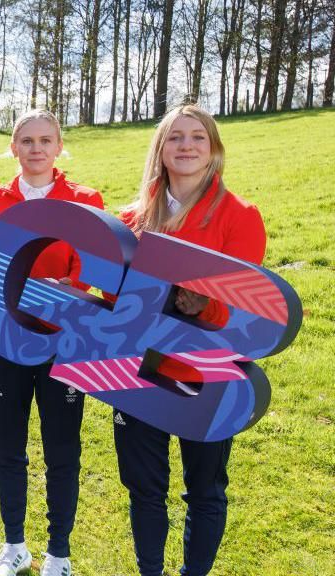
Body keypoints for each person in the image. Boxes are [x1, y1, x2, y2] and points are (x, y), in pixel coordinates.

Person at [112, 104, 266, 576]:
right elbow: (115, 300)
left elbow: (245, 309)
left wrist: (204, 303)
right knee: (144, 486)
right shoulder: (132, 217)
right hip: (140, 369)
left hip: (209, 371)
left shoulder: (239, 216)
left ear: (213, 149)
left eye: (197, 137)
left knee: (204, 488)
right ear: (160, 149)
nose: (186, 146)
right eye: (175, 137)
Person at [0, 109, 104, 576]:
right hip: (3, 342)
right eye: (26, 141)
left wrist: (62, 292)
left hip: (63, 344)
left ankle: (59, 553)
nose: (36, 149)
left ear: (59, 144)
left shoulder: (86, 199)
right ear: (13, 147)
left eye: (46, 140)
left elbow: (91, 269)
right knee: (9, 448)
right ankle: (13, 546)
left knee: (62, 449)